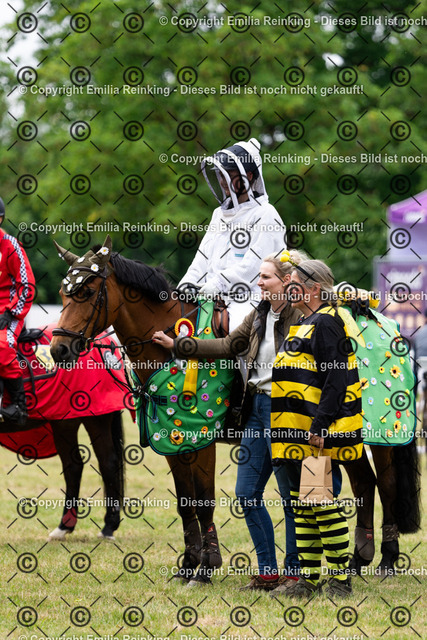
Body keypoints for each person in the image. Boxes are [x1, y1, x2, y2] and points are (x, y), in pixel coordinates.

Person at [154, 251, 305, 590]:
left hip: (287, 411)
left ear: (285, 281)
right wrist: (178, 344)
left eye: (265, 277)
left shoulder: (301, 317)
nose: (258, 282)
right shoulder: (259, 313)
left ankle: (295, 573)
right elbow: (226, 345)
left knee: (290, 496)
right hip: (256, 409)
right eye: (259, 276)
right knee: (246, 494)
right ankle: (268, 573)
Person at [270, 258, 363, 598]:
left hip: (314, 434)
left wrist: (320, 426)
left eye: (293, 282)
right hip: (295, 433)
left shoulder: (325, 323)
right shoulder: (304, 322)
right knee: (303, 506)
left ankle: (340, 580)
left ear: (313, 288)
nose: (287, 287)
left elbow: (336, 380)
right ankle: (307, 581)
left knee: (321, 503)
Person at [178, 138, 286, 330]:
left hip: (251, 299)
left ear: (249, 176)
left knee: (237, 331)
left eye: (229, 174)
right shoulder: (218, 214)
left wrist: (219, 283)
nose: (223, 180)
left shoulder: (266, 214)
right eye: (221, 174)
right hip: (212, 296)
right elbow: (202, 258)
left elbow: (254, 266)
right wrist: (186, 284)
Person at [0, 197, 35, 425]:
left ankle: (19, 406)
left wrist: (10, 312)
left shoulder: (10, 245)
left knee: (1, 346)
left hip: (9, 312)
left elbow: (28, 286)